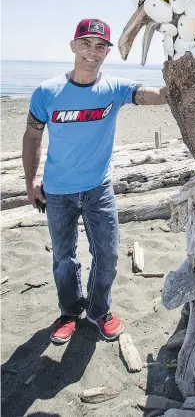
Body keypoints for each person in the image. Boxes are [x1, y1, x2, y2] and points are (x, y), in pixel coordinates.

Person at [22, 18, 168, 344]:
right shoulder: (47, 93)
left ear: (107, 51)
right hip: (58, 192)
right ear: (73, 46)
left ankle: (99, 311)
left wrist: (186, 80)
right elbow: (32, 137)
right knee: (64, 258)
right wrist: (31, 182)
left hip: (99, 189)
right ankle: (70, 311)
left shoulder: (114, 89)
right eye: (86, 43)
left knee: (108, 254)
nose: (93, 50)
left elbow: (156, 95)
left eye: (100, 45)